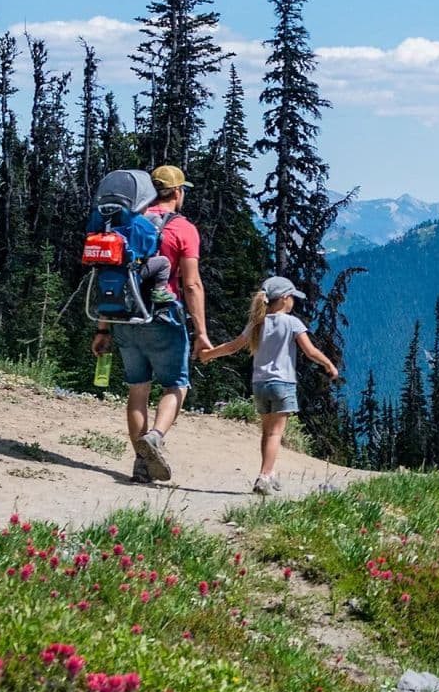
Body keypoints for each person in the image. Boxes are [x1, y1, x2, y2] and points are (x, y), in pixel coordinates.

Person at [90, 164, 208, 483]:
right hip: (164, 316)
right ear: (179, 192)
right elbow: (193, 284)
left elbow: (109, 276)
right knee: (176, 384)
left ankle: (141, 466)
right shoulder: (183, 229)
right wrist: (201, 333)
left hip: (125, 316)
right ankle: (155, 437)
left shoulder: (126, 223)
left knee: (137, 390)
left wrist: (103, 329)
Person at [198, 275, 340, 494]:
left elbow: (234, 346)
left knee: (267, 432)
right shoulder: (292, 323)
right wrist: (328, 364)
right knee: (276, 434)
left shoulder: (257, 323)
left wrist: (209, 354)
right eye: (292, 297)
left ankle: (269, 471)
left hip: (260, 384)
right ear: (284, 299)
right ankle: (264, 476)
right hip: (283, 383)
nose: (293, 301)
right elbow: (310, 351)